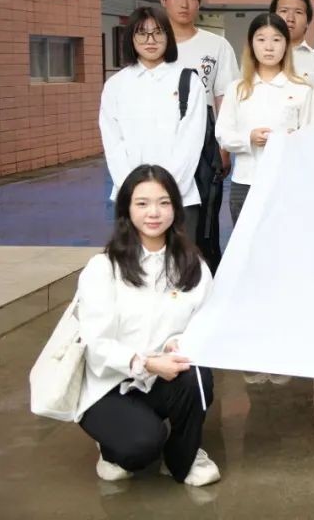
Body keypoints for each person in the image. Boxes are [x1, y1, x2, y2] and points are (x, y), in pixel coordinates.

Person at [76, 164, 219, 487]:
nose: (154, 213)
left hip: (162, 377)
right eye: (142, 203)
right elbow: (96, 344)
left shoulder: (193, 265)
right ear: (127, 209)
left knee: (197, 375)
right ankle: (111, 447)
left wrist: (179, 342)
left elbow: (205, 324)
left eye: (163, 203)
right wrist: (147, 363)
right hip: (111, 384)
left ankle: (184, 457)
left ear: (175, 208)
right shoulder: (104, 268)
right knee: (140, 448)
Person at [99, 7, 207, 240]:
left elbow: (191, 141)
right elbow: (113, 143)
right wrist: (134, 191)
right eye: (142, 33)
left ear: (168, 36)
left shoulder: (188, 81)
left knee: (180, 261)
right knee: (135, 261)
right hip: (131, 199)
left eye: (158, 32)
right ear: (131, 38)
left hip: (180, 197)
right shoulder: (115, 85)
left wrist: (166, 191)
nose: (151, 40)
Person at [159, 0, 238, 272]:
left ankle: (204, 275)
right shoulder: (154, 44)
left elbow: (224, 98)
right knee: (163, 207)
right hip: (164, 135)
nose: (184, 4)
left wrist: (223, 148)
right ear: (163, 0)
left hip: (205, 139)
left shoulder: (216, 45)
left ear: (199, 3)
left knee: (205, 214)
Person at [215, 13, 312, 226]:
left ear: (286, 45)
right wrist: (249, 138)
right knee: (245, 244)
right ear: (251, 44)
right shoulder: (237, 89)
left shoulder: (301, 89)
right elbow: (223, 135)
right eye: (261, 39)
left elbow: (310, 139)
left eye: (276, 39)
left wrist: (291, 140)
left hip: (286, 183)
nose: (269, 47)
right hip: (245, 182)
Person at [271, 0, 314, 86]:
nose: (290, 18)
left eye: (298, 12)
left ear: (307, 22)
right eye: (284, 11)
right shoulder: (256, 60)